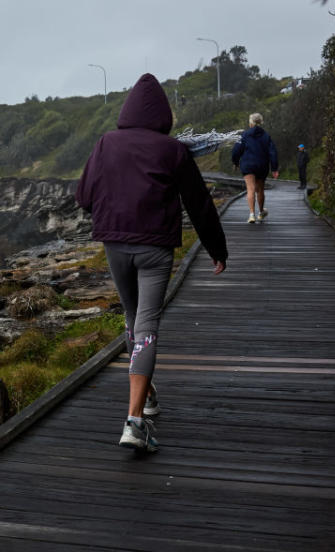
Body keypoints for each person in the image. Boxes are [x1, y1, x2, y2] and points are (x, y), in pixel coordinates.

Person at [75, 73, 228, 452]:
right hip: (155, 248)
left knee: (133, 320)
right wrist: (216, 249)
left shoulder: (106, 142)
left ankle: (146, 393)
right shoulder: (172, 150)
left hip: (114, 243)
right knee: (146, 326)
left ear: (127, 109)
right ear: (163, 114)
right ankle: (134, 422)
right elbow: (199, 204)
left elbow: (83, 196)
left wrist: (110, 211)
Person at [231, 113, 279, 223]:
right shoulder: (266, 136)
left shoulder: (245, 135)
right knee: (260, 190)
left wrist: (235, 162)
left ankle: (251, 214)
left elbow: (236, 150)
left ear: (251, 123)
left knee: (250, 189)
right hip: (262, 165)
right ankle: (261, 212)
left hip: (248, 165)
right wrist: (274, 168)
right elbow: (273, 153)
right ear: (260, 122)